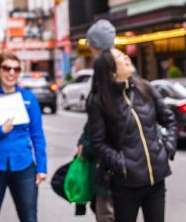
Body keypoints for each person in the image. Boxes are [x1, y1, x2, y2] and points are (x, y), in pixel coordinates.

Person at [86, 48, 177, 222]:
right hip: (126, 184)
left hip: (156, 179)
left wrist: (168, 148)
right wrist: (121, 164)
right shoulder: (100, 101)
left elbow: (169, 120)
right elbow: (97, 142)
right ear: (111, 69)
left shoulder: (145, 87)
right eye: (120, 56)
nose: (127, 57)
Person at [0, 52, 48, 222]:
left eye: (16, 69)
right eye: (7, 68)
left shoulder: (28, 98)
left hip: (24, 166)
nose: (11, 72)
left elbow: (37, 135)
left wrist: (42, 167)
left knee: (29, 218)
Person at [77, 19, 117, 221]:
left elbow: (99, 121)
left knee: (107, 212)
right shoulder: (121, 69)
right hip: (119, 159)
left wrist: (86, 144)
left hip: (107, 162)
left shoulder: (104, 73)